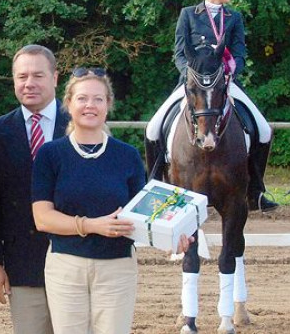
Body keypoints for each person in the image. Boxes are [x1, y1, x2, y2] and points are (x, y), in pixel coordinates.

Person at [31, 68, 193, 334]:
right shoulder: (50, 155)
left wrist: (171, 236)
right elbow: (42, 218)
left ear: (108, 105)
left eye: (98, 99)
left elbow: (143, 216)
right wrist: (92, 226)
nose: (90, 105)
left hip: (117, 269)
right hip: (65, 267)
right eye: (82, 98)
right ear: (68, 104)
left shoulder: (127, 156)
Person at [145, 0, 278, 212]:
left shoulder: (234, 17)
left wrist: (229, 74)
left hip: (223, 84)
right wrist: (192, 76)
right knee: (153, 127)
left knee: (263, 129)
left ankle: (256, 190)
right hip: (194, 85)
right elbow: (179, 54)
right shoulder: (188, 14)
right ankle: (153, 184)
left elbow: (239, 53)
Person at [0, 45, 67, 334]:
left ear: (55, 78)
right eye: (22, 76)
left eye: (38, 75)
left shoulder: (81, 125)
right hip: (23, 267)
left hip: (76, 263)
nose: (29, 83)